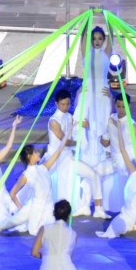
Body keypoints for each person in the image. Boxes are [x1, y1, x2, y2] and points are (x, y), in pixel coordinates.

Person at [0, 137, 67, 236]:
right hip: (34, 208)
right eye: (36, 152)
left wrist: (69, 131)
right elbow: (12, 193)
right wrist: (21, 209)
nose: (38, 153)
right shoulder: (26, 175)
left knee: (52, 229)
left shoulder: (43, 167)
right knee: (7, 224)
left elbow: (59, 151)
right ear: (29, 156)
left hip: (48, 208)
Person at [46, 87, 109, 219]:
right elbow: (64, 141)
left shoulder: (70, 116)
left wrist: (85, 125)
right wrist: (78, 142)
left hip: (69, 157)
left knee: (93, 175)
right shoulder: (53, 121)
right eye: (63, 104)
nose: (66, 107)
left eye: (67, 104)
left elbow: (77, 123)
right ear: (56, 104)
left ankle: (97, 208)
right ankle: (63, 211)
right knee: (61, 186)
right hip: (57, 159)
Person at [98, 93, 136, 212]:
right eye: (119, 106)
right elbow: (106, 143)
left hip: (129, 160)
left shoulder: (131, 123)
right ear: (115, 105)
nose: (121, 110)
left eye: (124, 107)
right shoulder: (111, 119)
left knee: (130, 190)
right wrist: (102, 140)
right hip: (115, 159)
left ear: (129, 106)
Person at [32, 199, 84, 270]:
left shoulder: (44, 229)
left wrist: (45, 256)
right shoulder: (73, 234)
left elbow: (34, 253)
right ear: (68, 216)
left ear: (54, 213)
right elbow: (69, 257)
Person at [78, 23, 114, 165]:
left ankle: (103, 156)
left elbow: (112, 36)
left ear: (103, 40)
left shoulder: (106, 54)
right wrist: (88, 19)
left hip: (102, 93)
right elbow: (82, 36)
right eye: (94, 39)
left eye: (100, 38)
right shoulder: (86, 54)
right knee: (87, 124)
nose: (97, 41)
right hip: (88, 93)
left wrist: (107, 17)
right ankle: (86, 156)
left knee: (103, 123)